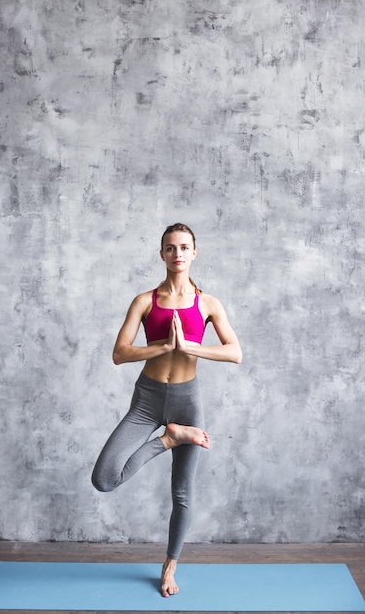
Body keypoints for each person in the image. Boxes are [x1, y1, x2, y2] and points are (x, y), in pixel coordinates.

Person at [91, 222, 242, 597]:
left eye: (184, 247)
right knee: (104, 479)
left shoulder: (208, 303)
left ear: (194, 253)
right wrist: (160, 347)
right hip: (147, 400)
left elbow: (234, 353)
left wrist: (189, 347)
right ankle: (169, 440)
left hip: (187, 402)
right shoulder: (144, 301)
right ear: (162, 254)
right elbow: (119, 353)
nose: (178, 254)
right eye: (171, 248)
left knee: (183, 495)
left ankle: (170, 565)